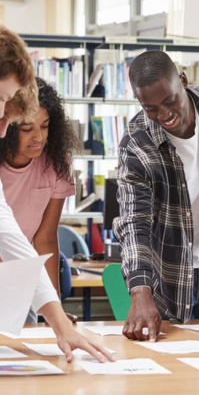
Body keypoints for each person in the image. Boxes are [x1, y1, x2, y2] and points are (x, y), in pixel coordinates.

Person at [113, 50, 199, 341]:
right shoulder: (137, 143)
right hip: (167, 275)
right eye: (150, 108)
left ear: (183, 80)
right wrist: (140, 291)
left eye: (169, 101)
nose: (164, 115)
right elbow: (134, 222)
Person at [0, 25, 114, 363]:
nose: (3, 122)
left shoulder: (53, 162)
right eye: (3, 100)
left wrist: (59, 321)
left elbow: (13, 237)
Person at [0, 77, 80, 301]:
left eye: (44, 126)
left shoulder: (57, 164)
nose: (38, 137)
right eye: (27, 129)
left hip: (20, 278)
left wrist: (53, 306)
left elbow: (45, 238)